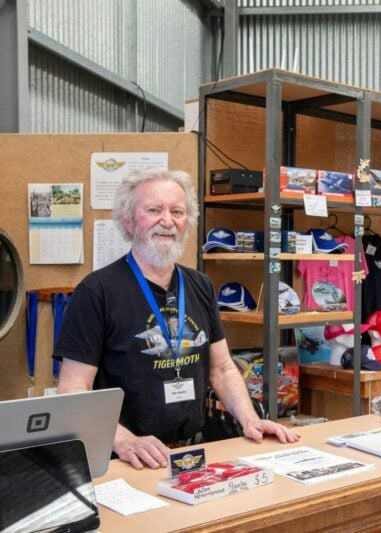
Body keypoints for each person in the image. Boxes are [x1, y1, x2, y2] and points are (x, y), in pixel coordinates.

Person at [53, 168, 299, 470]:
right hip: (127, 459)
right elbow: (73, 389)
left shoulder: (200, 285)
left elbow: (221, 369)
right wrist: (124, 440)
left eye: (177, 211)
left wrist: (250, 419)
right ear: (129, 221)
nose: (167, 221)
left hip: (193, 452)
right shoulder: (96, 292)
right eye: (154, 210)